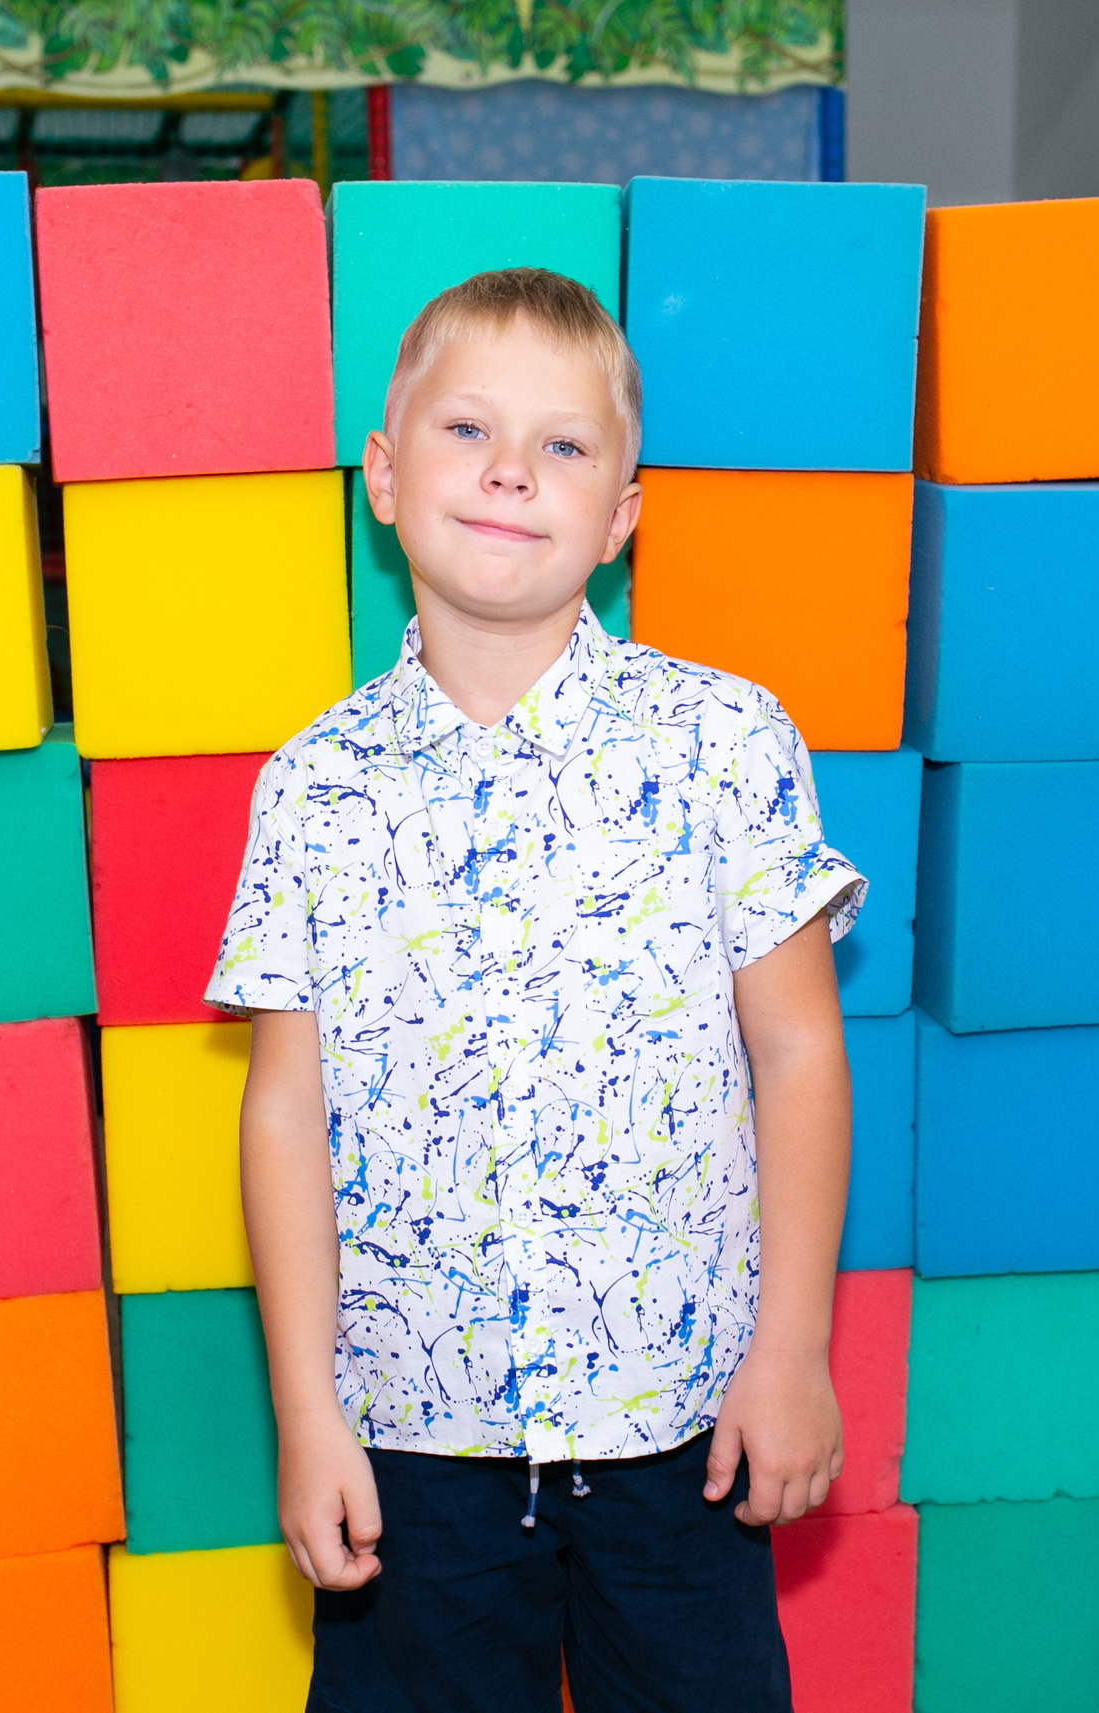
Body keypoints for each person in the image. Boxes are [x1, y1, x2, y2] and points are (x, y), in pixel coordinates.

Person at [207, 267, 864, 1713]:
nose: (511, 469)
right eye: (467, 430)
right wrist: (306, 1412)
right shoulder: (315, 787)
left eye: (564, 446)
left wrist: (794, 1347)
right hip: (414, 1445)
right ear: (381, 478)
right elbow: (282, 1114)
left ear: (623, 514)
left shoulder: (722, 741)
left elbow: (802, 1053)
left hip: (677, 1428)